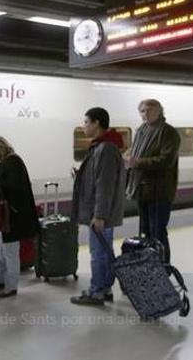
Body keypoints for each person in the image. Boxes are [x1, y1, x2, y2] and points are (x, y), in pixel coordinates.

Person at [70, 107, 126, 306]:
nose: (83, 125)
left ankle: (96, 293)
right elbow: (99, 179)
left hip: (101, 213)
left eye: (86, 122)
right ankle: (105, 288)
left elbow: (105, 185)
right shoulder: (102, 146)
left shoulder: (106, 149)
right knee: (103, 251)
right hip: (100, 211)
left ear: (96, 123)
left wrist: (100, 215)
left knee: (98, 253)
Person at [0, 136, 40, 298]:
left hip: (13, 218)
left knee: (10, 252)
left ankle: (11, 286)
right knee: (0, 249)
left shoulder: (13, 162)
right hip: (3, 217)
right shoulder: (9, 163)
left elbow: (14, 187)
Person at [125, 99, 180, 264]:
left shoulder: (168, 132)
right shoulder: (141, 130)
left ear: (160, 111)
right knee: (146, 231)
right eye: (142, 111)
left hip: (159, 191)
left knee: (158, 232)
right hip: (142, 189)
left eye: (149, 110)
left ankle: (163, 268)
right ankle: (149, 267)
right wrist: (126, 157)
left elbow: (166, 160)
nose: (145, 113)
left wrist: (137, 162)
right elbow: (134, 151)